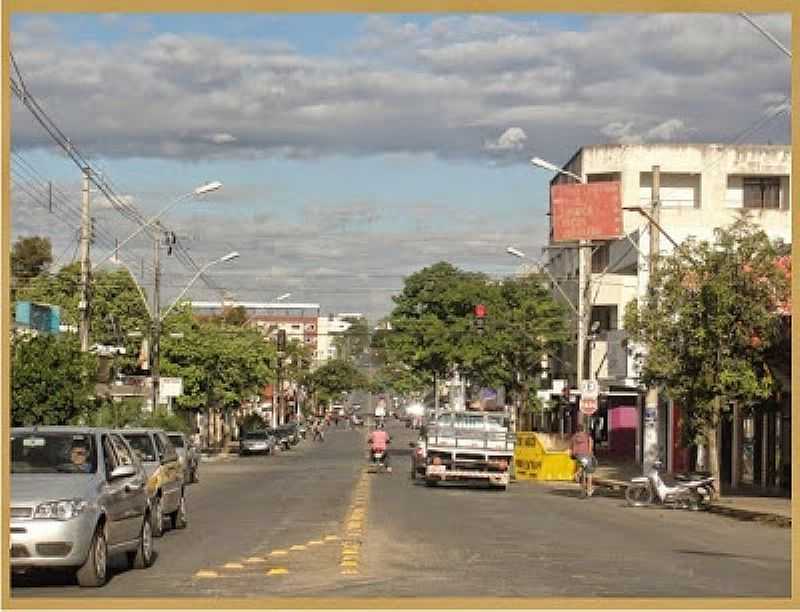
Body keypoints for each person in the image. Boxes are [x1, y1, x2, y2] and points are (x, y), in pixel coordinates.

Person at [570, 423, 595, 497]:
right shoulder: (587, 436)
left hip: (578, 456)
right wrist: (590, 454)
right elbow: (590, 445)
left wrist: (573, 455)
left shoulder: (574, 437)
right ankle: (589, 491)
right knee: (589, 473)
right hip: (586, 456)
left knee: (583, 474)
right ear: (583, 429)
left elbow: (571, 448)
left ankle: (583, 490)